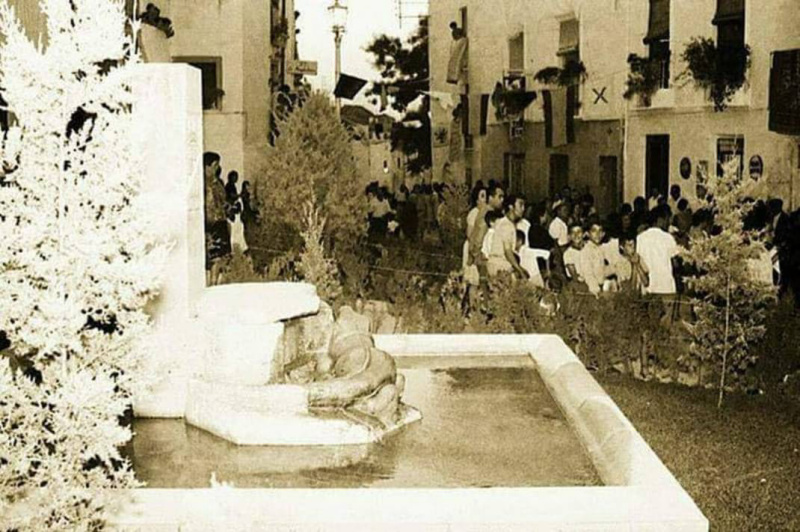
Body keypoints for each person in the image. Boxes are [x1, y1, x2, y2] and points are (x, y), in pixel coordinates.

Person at [636, 205, 679, 295]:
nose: (668, 223)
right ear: (660, 220)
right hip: (666, 288)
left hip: (648, 288)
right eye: (667, 220)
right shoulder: (668, 238)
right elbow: (675, 264)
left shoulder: (640, 238)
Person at [487, 195, 529, 279]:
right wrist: (520, 270)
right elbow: (508, 252)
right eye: (520, 205)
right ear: (511, 207)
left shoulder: (506, 222)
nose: (523, 209)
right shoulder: (506, 225)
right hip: (499, 265)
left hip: (498, 263)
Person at [203, 152, 229, 269]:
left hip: (220, 220)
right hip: (209, 223)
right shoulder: (201, 183)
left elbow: (223, 200)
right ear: (206, 167)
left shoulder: (218, 183)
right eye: (215, 165)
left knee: (222, 257)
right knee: (212, 256)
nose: (217, 168)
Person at [580, 222, 608, 295]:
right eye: (594, 231)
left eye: (600, 231)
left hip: (603, 286)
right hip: (593, 291)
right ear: (588, 233)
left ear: (603, 234)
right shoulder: (586, 251)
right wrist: (597, 291)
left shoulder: (601, 248)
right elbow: (588, 275)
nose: (597, 234)